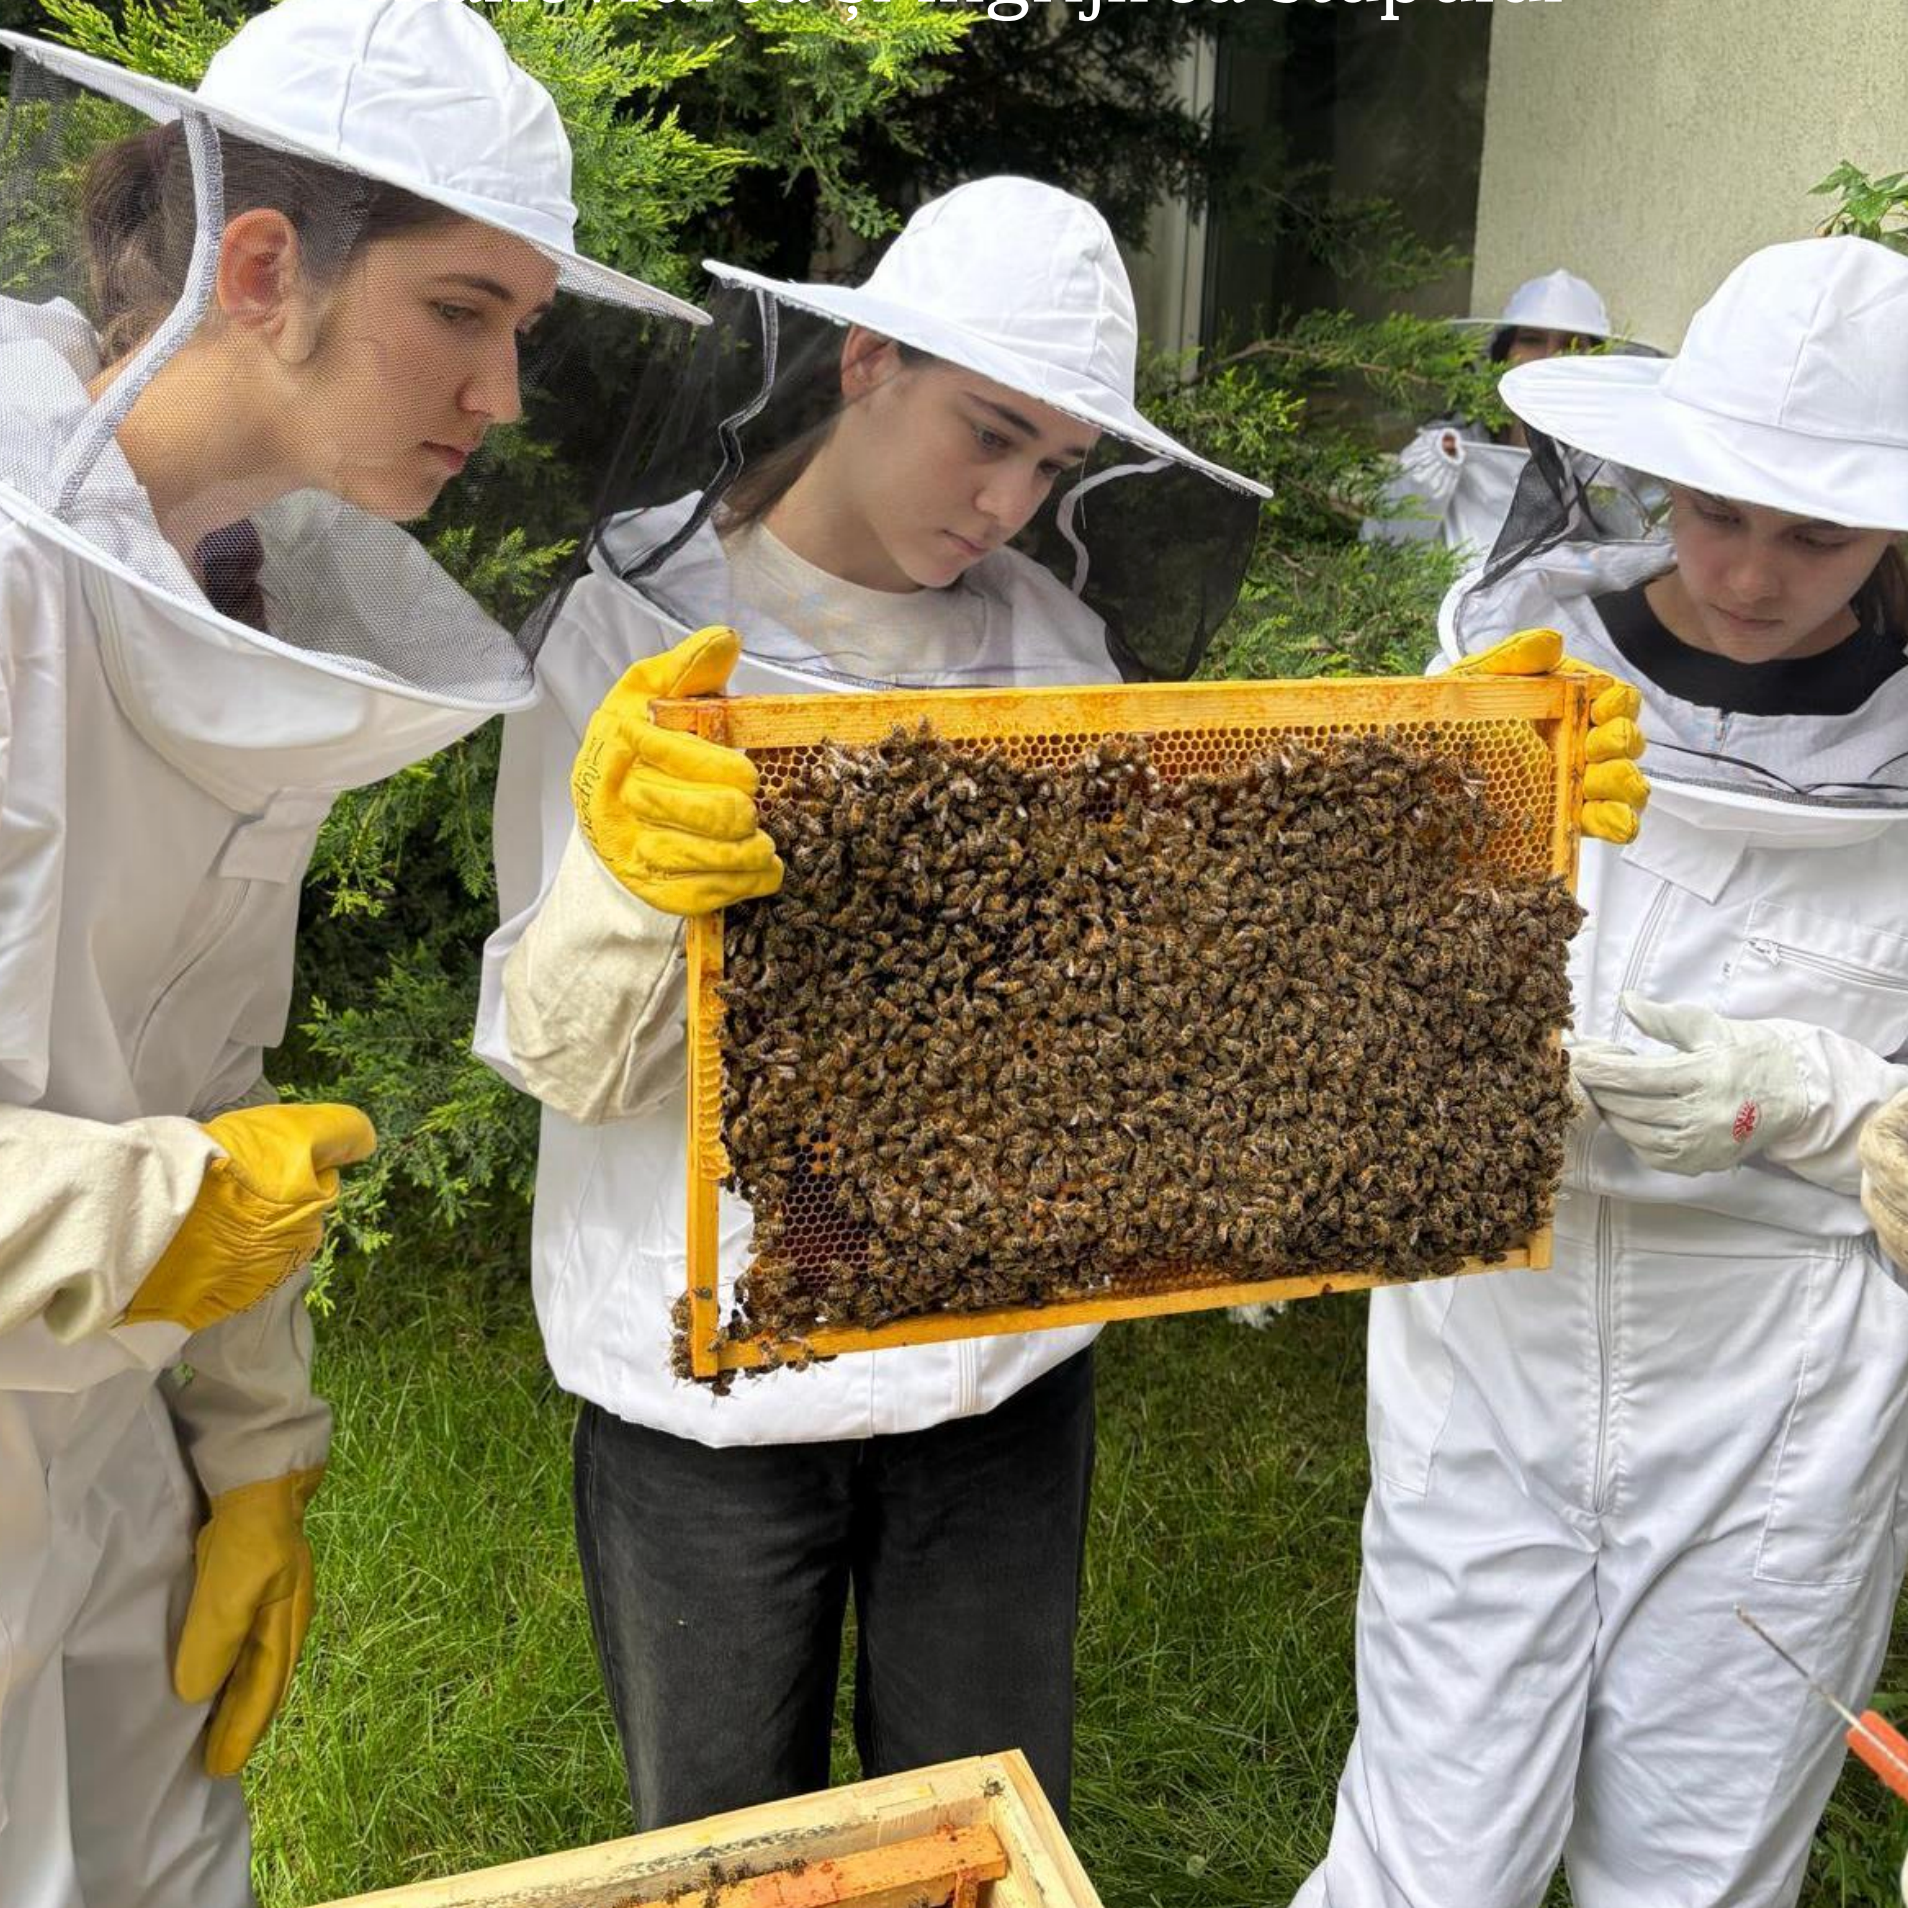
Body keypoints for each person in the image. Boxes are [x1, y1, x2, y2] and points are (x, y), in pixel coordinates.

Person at [475, 175, 1643, 1835]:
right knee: (729, 1841)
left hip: (995, 1367)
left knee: (983, 1812)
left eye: (1052, 464)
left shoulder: (1050, 639)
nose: (1008, 498)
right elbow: (562, 1052)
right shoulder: (634, 633)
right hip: (703, 1380)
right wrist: (624, 889)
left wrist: (1451, 793)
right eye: (987, 433)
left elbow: (1157, 982)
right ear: (866, 362)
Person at [0, 1, 702, 1902]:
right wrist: (146, 1211)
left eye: (525, 334)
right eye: (463, 310)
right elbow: (177, 1171)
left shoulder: (234, 577)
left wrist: (254, 1444)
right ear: (260, 268)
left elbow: (213, 1095)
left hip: (108, 1461)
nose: (502, 394)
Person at [1298, 234, 1908, 1908]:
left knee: (1695, 1868)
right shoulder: (1510, 670)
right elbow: (1315, 975)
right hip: (1493, 1316)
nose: (1749, 572)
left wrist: (1819, 1098)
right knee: (1426, 1848)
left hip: (1778, 1378)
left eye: (1815, 532)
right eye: (1714, 509)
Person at [1364, 269, 1653, 565]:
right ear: (1502, 356)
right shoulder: (1440, 452)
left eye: (1571, 345)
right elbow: (1383, 548)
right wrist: (1435, 469)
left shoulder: (1609, 469)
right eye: (1531, 339)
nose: (1549, 356)